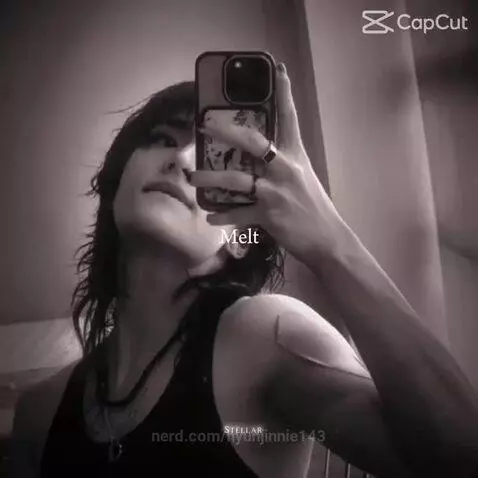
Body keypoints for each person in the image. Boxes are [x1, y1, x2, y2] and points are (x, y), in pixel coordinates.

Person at [10, 62, 478, 478]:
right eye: (163, 139)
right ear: (116, 186)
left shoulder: (264, 334)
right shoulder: (39, 411)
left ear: (238, 240)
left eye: (215, 159)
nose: (183, 160)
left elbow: (460, 460)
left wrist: (332, 243)